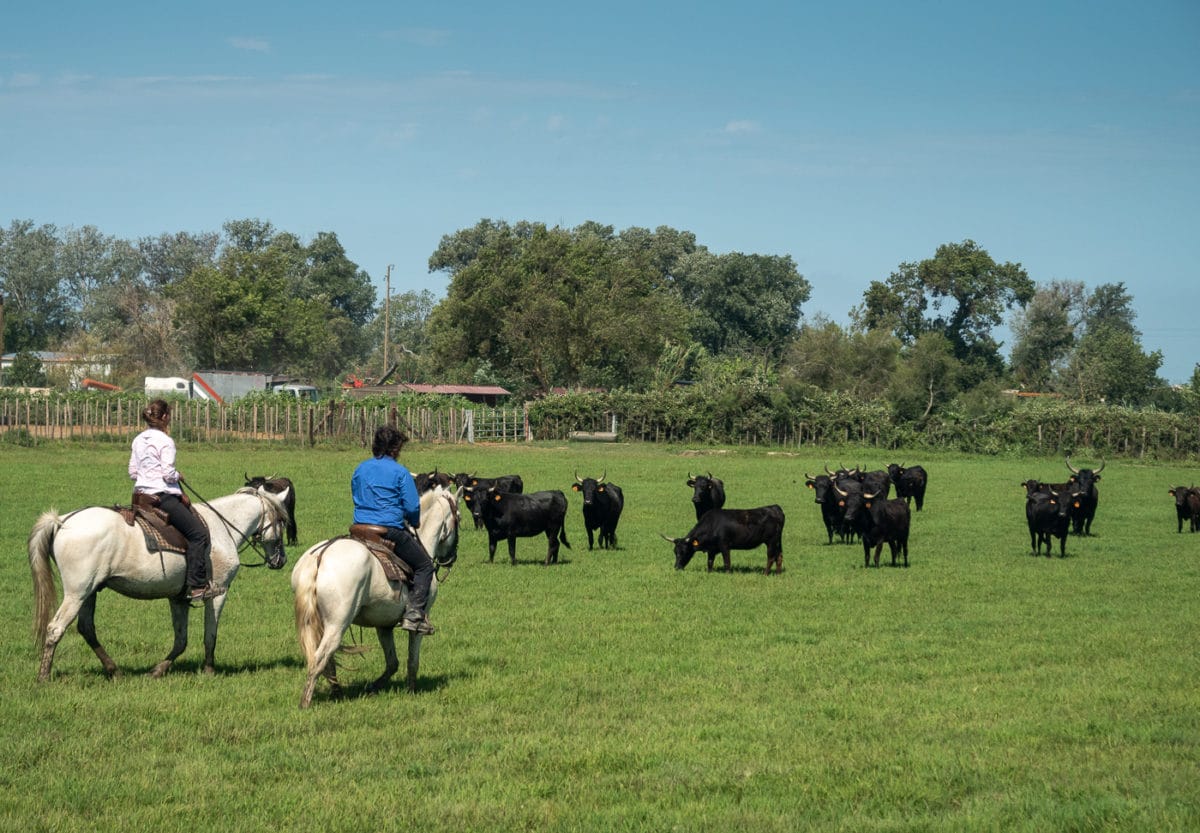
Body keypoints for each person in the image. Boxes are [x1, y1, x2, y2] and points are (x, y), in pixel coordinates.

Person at [129, 399, 219, 604]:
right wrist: (178, 476)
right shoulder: (165, 441)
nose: (170, 418)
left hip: (140, 498)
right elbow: (168, 474)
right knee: (198, 534)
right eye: (168, 415)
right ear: (163, 418)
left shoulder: (137, 440)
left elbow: (132, 472)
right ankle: (197, 587)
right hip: (162, 498)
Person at [351, 424, 436, 635]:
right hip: (388, 530)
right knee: (425, 566)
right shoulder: (400, 471)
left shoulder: (360, 468)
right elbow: (412, 506)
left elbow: (355, 494)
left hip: (359, 529)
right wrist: (415, 521)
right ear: (395, 449)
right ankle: (414, 614)